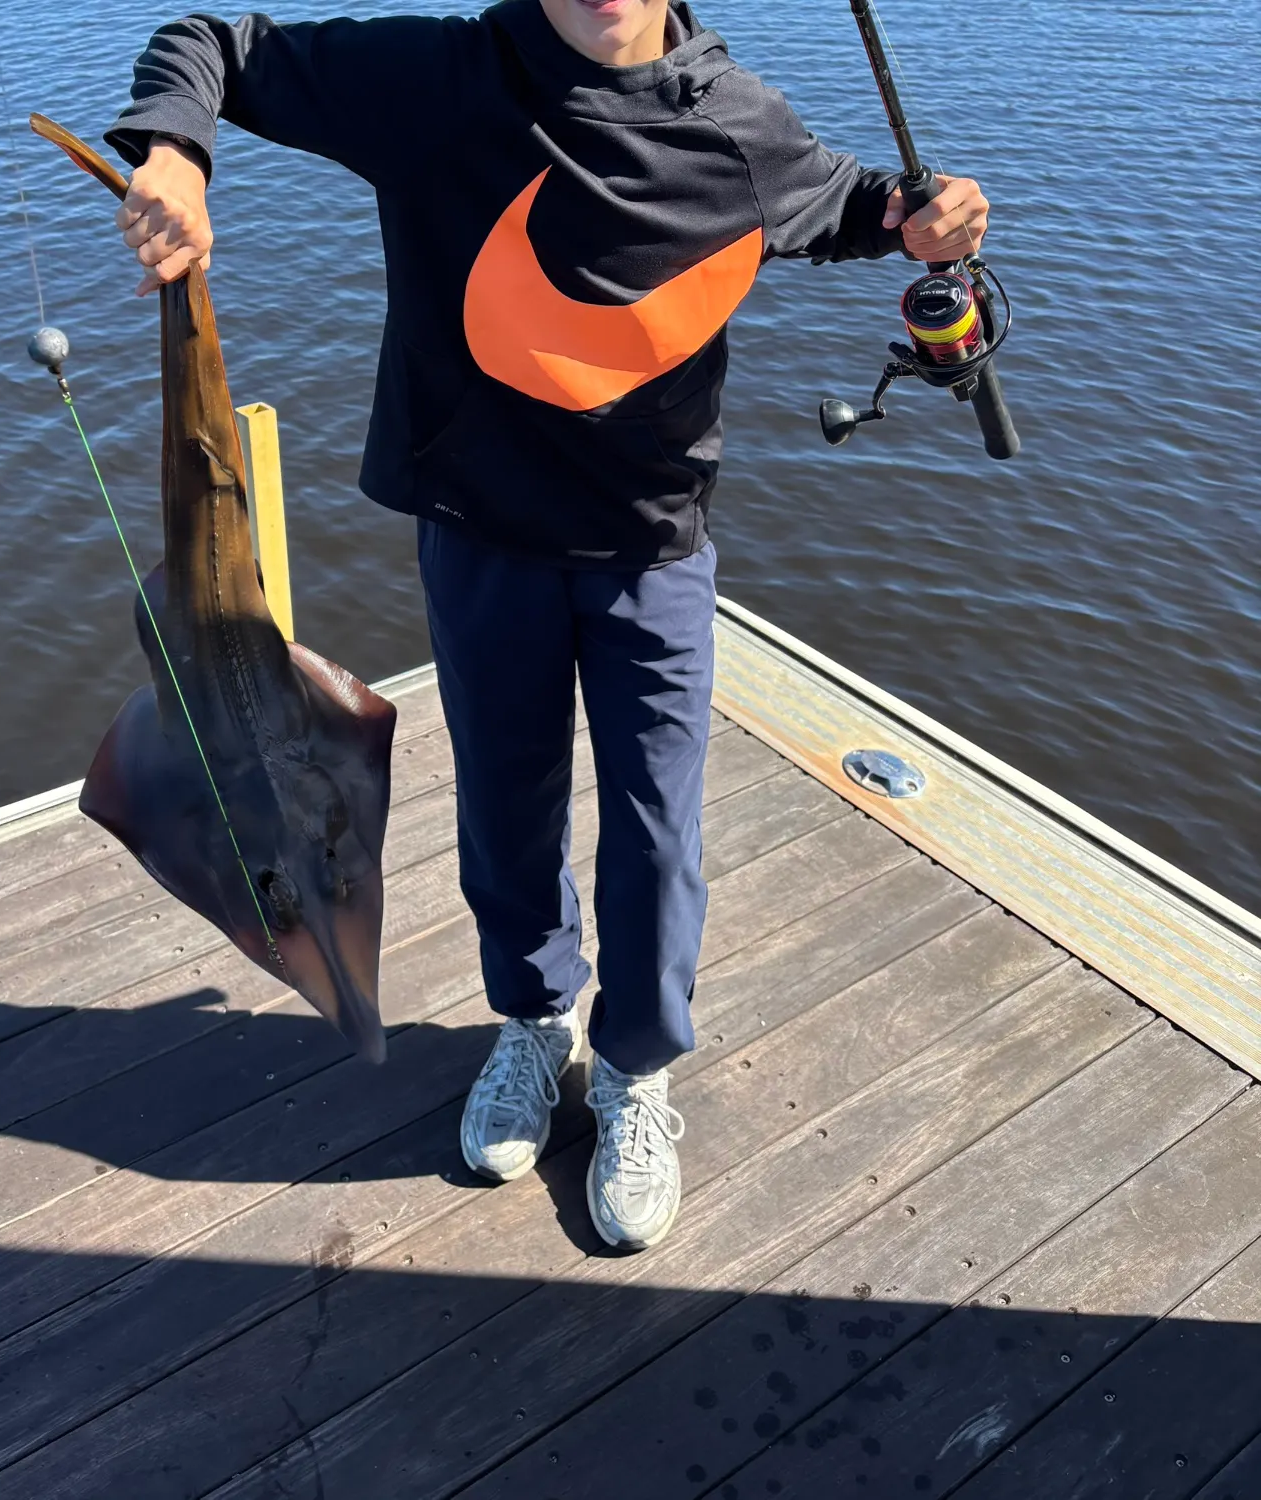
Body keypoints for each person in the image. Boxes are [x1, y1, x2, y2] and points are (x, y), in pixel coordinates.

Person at [106, 0, 989, 1252]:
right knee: (507, 805)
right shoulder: (436, 79)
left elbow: (847, 202)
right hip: (477, 532)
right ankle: (533, 1022)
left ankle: (635, 1067)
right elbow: (214, 42)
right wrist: (176, 154)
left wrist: (925, 217)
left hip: (653, 546)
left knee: (654, 828)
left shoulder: (736, 124)